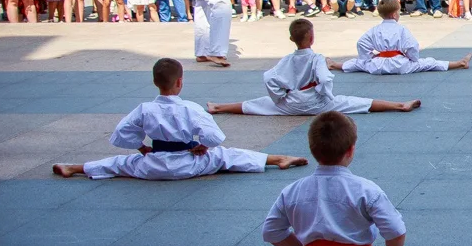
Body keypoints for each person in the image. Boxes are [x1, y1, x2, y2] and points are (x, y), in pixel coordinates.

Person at [246, 112, 407, 246]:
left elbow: (272, 233)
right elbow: (396, 233)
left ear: (313, 150)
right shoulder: (366, 190)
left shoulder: (293, 190)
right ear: (351, 150)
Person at [52, 58, 307, 179]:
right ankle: (278, 159)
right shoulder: (190, 108)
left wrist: (142, 148)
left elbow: (122, 133)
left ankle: (73, 168)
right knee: (226, 155)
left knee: (120, 162)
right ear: (180, 82)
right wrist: (203, 147)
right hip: (188, 164)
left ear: (154, 83)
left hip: (153, 166)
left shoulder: (145, 109)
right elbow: (215, 137)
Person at [208, 19, 420, 116]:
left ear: (292, 38)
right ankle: (399, 105)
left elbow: (268, 78)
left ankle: (218, 107)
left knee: (258, 104)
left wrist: (279, 97)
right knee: (357, 103)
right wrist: (325, 96)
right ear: (312, 38)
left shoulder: (286, 60)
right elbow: (325, 80)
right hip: (317, 104)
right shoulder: (316, 58)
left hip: (290, 104)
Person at [331, 0, 471, 74]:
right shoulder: (401, 29)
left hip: (377, 65)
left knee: (358, 63)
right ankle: (459, 63)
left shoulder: (375, 30)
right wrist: (412, 58)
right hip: (400, 64)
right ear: (394, 14)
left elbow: (361, 44)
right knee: (429, 62)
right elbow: (412, 46)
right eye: (398, 12)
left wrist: (368, 58)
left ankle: (335, 65)